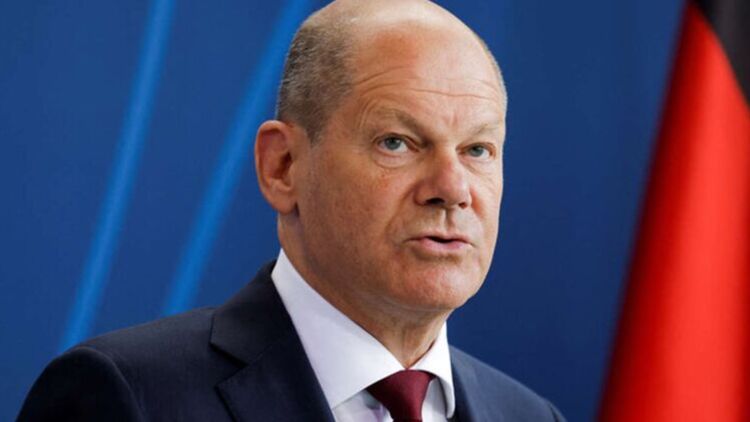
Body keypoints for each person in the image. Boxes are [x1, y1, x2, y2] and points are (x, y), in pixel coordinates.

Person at [18, 0, 565, 420]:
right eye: (397, 142)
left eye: (477, 150)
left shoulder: (530, 415)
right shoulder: (127, 397)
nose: (452, 188)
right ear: (282, 166)